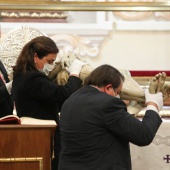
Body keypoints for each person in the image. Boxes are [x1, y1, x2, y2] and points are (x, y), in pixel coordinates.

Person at [59, 64, 164, 170]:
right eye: (117, 92)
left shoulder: (70, 101)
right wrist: (153, 105)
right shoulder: (108, 103)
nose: (118, 97)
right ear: (108, 88)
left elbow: (100, 127)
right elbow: (144, 135)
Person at [11, 36, 85, 170]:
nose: (51, 65)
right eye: (49, 61)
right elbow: (64, 94)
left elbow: (52, 99)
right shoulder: (34, 78)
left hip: (34, 136)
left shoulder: (22, 74)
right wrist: (74, 74)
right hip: (42, 137)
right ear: (36, 57)